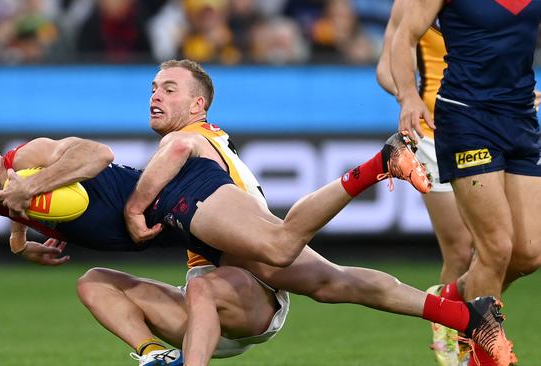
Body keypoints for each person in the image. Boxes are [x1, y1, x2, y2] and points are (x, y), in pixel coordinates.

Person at [110, 59, 510, 365]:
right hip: (235, 252)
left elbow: (174, 159)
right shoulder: (205, 138)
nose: (155, 96)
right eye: (153, 88)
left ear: (198, 105)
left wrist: (132, 209)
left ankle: (378, 165)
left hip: (243, 247)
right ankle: (465, 315)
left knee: (292, 250)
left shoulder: (186, 138)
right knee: (340, 283)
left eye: (168, 88)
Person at [0, 129, 289, 366]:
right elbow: (11, 196)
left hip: (174, 206)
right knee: (91, 283)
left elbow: (99, 154)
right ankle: (154, 357)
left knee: (307, 269)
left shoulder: (29, 156)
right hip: (180, 242)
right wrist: (18, 241)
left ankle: (346, 184)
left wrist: (31, 191)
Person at [391, 1, 541, 365]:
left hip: (521, 117)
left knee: (529, 253)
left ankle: (450, 299)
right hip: (465, 117)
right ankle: (479, 356)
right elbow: (404, 36)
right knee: (496, 247)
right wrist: (408, 94)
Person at [376, 1, 473, 364]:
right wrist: (408, 96)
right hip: (435, 132)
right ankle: (460, 333)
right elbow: (386, 67)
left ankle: (448, 301)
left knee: (511, 249)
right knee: (461, 249)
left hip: (495, 126)